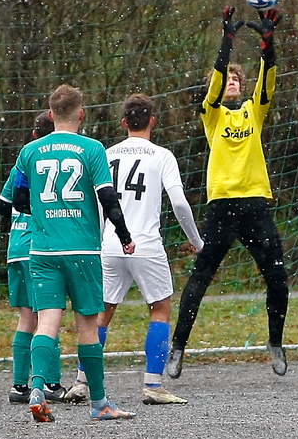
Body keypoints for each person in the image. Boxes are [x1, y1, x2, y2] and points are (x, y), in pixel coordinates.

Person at [167, 6, 289, 379]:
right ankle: (177, 348)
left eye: (238, 78)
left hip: (255, 204)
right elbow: (216, 81)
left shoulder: (254, 111)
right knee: (200, 277)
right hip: (221, 207)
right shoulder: (213, 113)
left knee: (278, 278)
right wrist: (227, 43)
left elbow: (268, 81)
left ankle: (275, 342)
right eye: (229, 79)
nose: (232, 82)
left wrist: (268, 46)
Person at [63, 93, 204, 405]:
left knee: (101, 314)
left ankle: (81, 383)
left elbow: (98, 204)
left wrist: (99, 240)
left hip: (110, 244)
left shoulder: (106, 153)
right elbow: (179, 202)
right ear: (152, 121)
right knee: (160, 309)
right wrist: (195, 239)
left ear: (124, 122)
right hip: (146, 245)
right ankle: (153, 386)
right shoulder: (162, 156)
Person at [11, 84, 137, 422]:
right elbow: (108, 197)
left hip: (42, 250)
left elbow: (19, 200)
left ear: (51, 116)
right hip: (81, 249)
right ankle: (99, 404)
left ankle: (36, 388)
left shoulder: (31, 151)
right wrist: (124, 234)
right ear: (81, 113)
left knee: (46, 322)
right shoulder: (91, 149)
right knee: (87, 326)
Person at [0, 111, 67, 404]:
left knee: (27, 318)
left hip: (16, 248)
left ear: (33, 133)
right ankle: (50, 382)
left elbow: (3, 206)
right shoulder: (52, 162)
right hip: (39, 249)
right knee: (49, 317)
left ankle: (19, 386)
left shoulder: (21, 164)